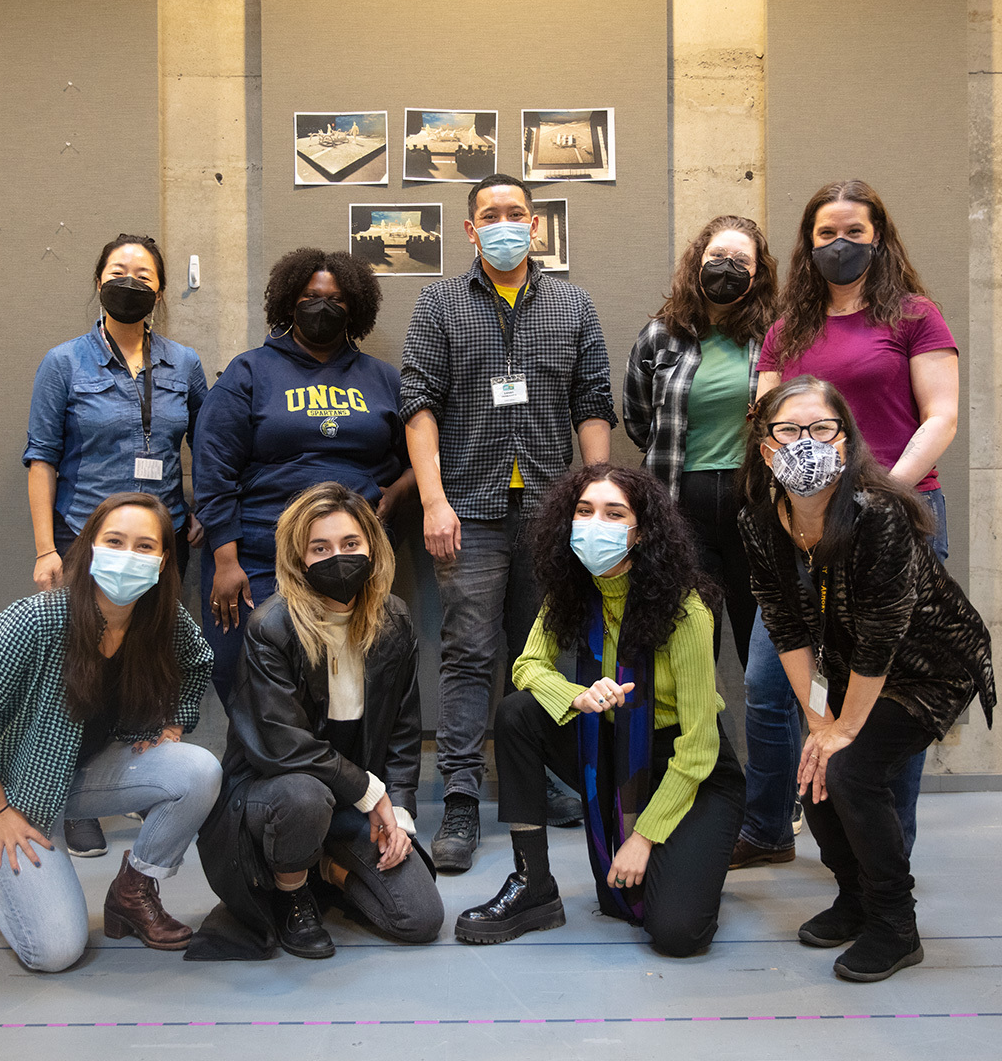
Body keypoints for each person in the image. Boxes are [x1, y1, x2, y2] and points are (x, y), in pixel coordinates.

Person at [733, 180, 960, 869]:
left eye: (854, 232)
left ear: (879, 237)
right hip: (801, 523)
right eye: (825, 233)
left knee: (890, 691)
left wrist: (881, 497)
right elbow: (764, 424)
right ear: (807, 244)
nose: (840, 244)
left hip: (895, 518)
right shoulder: (786, 329)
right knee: (772, 685)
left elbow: (941, 415)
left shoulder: (915, 316)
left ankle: (889, 852)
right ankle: (769, 829)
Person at [738, 377, 993, 981]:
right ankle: (854, 897)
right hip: (850, 665)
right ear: (766, 446)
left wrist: (843, 730)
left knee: (848, 767)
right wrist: (817, 721)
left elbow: (882, 636)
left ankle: (895, 924)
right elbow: (786, 626)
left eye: (821, 429)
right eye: (789, 430)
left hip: (930, 666)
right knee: (816, 766)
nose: (806, 442)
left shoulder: (879, 514)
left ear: (845, 444)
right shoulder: (758, 522)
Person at [401, 173, 617, 871]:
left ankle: (539, 779)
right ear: (470, 229)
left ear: (535, 224)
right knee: (468, 652)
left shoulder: (573, 306)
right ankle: (462, 796)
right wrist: (434, 499)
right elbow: (420, 406)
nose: (503, 224)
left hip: (553, 509)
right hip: (470, 507)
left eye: (515, 213)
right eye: (489, 214)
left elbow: (593, 403)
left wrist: (596, 497)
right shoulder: (438, 305)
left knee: (540, 655)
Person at [455, 465, 745, 957]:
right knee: (518, 713)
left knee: (676, 933)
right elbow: (527, 666)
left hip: (687, 768)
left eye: (614, 514)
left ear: (642, 531)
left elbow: (699, 746)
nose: (595, 524)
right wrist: (575, 695)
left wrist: (644, 839)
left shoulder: (686, 609)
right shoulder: (573, 590)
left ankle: (684, 854)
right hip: (609, 746)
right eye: (584, 511)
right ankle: (533, 884)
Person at [0, 493, 221, 973]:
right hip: (17, 793)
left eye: (144, 547)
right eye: (115, 541)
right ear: (90, 546)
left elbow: (198, 662)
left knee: (199, 769)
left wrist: (174, 726)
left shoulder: (159, 621)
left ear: (161, 562)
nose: (128, 556)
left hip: (90, 773)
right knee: (54, 952)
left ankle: (132, 891)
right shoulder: (33, 620)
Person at [189, 482, 443, 961]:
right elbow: (283, 747)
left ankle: (324, 869)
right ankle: (290, 892)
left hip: (350, 801)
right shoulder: (271, 625)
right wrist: (373, 793)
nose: (338, 557)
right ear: (298, 559)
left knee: (419, 917)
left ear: (372, 545)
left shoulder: (394, 620)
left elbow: (404, 732)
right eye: (319, 548)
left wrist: (401, 816)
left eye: (350, 544)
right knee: (306, 795)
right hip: (274, 796)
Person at [24, 234, 208, 857]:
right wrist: (48, 548)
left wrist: (204, 511)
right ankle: (74, 798)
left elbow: (208, 445)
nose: (130, 281)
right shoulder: (64, 362)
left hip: (164, 541)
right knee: (82, 667)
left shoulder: (183, 364)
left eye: (143, 274)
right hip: (87, 540)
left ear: (159, 289)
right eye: (118, 270)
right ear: (99, 280)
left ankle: (136, 778)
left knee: (151, 657)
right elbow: (42, 458)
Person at [193, 248, 413, 711]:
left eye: (335, 299)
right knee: (247, 679)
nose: (322, 306)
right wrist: (225, 560)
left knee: (342, 686)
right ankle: (259, 778)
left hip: (349, 556)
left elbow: (423, 457)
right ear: (289, 302)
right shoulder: (249, 371)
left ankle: (334, 777)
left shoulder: (382, 378)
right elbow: (214, 466)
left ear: (355, 307)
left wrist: (396, 491)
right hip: (256, 553)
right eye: (311, 296)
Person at [624, 215, 778, 668]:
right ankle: (700, 738)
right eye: (716, 257)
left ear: (757, 274)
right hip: (680, 504)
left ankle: (773, 738)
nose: (726, 267)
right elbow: (637, 418)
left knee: (765, 647)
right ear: (697, 262)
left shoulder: (773, 336)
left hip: (754, 503)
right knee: (691, 644)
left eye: (740, 261)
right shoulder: (660, 335)